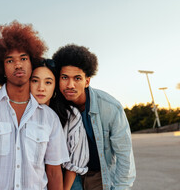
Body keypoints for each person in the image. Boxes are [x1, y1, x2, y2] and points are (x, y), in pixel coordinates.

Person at [0, 21, 69, 190]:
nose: (18, 65)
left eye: (23, 58)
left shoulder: (49, 118)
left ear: (32, 64)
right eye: (10, 60)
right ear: (1, 68)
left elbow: (54, 172)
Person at [52, 44, 136, 190]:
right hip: (69, 177)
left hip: (99, 175)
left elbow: (124, 155)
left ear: (87, 81)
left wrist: (120, 188)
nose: (70, 85)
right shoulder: (53, 107)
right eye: (64, 77)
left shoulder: (110, 107)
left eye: (77, 78)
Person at [30, 59, 89, 190]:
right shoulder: (22, 113)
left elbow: (76, 160)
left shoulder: (70, 114)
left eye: (48, 82)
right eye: (35, 81)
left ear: (55, 85)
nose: (41, 88)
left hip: (67, 181)